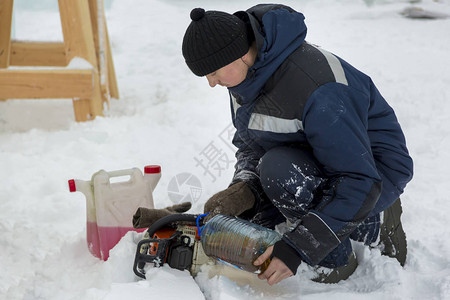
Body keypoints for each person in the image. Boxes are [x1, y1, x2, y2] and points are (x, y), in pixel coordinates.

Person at [181, 4, 414, 285]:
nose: (211, 83)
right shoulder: (245, 78)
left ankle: (358, 239)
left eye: (214, 72)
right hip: (319, 159)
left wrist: (297, 248)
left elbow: (359, 178)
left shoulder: (316, 89)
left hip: (373, 174)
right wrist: (246, 189)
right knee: (258, 215)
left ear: (241, 54)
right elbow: (251, 143)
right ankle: (314, 218)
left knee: (279, 171)